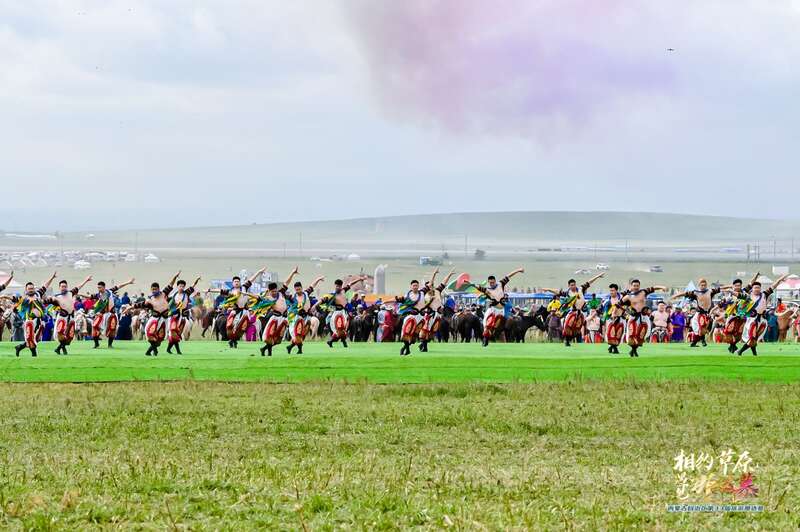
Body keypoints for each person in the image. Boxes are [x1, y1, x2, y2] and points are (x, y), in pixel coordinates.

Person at [207, 268, 265, 348]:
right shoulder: (230, 291)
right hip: (235, 311)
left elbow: (252, 279)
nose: (237, 282)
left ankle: (246, 338)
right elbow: (219, 290)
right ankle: (231, 339)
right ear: (233, 283)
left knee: (248, 324)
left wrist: (259, 272)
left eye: (238, 281)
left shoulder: (244, 288)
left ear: (240, 282)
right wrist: (209, 290)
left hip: (245, 311)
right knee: (230, 324)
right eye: (235, 281)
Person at [1, 273, 55, 357]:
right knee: (30, 339)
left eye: (32, 288)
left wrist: (52, 277)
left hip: (40, 321)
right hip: (29, 321)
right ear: (26, 289)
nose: (31, 290)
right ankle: (34, 355)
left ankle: (20, 347)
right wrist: (5, 296)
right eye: (29, 289)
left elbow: (45, 286)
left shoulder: (38, 294)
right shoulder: (24, 299)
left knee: (37, 339)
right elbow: (14, 298)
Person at [542, 273, 604, 347]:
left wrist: (597, 276)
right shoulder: (568, 293)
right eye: (571, 285)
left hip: (582, 312)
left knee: (579, 328)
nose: (573, 286)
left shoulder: (581, 289)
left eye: (574, 285)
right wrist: (548, 289)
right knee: (566, 323)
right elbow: (557, 291)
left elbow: (589, 282)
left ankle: (581, 340)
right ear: (569, 286)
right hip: (573, 311)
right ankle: (567, 340)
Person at [737, 274, 789, 356]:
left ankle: (754, 354)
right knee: (752, 337)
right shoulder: (748, 296)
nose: (757, 289)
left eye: (758, 287)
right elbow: (746, 288)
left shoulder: (764, 294)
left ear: (760, 288)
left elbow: (773, 286)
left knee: (755, 338)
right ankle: (740, 351)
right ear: (752, 289)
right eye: (755, 287)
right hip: (752, 319)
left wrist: (780, 279)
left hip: (762, 319)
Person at [132, 272, 180, 356]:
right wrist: (130, 307)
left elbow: (171, 284)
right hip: (154, 319)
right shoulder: (150, 299)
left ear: (158, 289)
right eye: (152, 289)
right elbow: (140, 304)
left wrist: (175, 277)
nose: (154, 291)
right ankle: (153, 351)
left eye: (155, 289)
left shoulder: (164, 294)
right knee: (149, 334)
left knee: (160, 339)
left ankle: (149, 351)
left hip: (165, 319)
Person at [44, 273, 93, 355]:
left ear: (67, 287)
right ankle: (61, 348)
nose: (63, 288)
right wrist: (45, 299)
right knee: (60, 333)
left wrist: (86, 280)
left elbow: (79, 286)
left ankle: (59, 348)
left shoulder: (70, 293)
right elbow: (46, 301)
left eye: (65, 286)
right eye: (62, 286)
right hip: (62, 318)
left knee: (70, 336)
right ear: (59, 287)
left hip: (71, 318)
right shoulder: (56, 297)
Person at [475, 267, 524, 347]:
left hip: (501, 310)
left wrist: (518, 270)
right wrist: (479, 293)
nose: (492, 284)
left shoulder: (501, 284)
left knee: (501, 325)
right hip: (492, 309)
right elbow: (482, 289)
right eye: (490, 283)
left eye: (493, 282)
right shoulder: (488, 290)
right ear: (488, 282)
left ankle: (505, 335)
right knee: (485, 321)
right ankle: (485, 338)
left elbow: (509, 275)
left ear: (495, 281)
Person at [84, 277, 135, 348]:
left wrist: (128, 282)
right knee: (94, 326)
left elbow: (119, 286)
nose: (99, 289)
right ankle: (96, 344)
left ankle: (110, 344)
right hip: (102, 314)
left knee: (112, 329)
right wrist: (79, 294)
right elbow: (90, 296)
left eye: (100, 287)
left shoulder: (109, 292)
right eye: (98, 288)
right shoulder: (98, 295)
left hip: (111, 314)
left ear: (104, 287)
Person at [621, 279, 667, 357]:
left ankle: (634, 350)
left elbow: (653, 288)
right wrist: (627, 311)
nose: (636, 287)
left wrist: (662, 287)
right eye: (634, 285)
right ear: (631, 286)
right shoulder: (628, 296)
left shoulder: (643, 292)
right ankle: (633, 350)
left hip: (644, 317)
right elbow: (619, 304)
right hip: (633, 317)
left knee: (643, 334)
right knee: (632, 334)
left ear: (639, 286)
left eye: (637, 286)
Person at [671, 278, 721, 347]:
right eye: (702, 285)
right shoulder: (696, 293)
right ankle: (699, 341)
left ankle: (698, 341)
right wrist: (675, 296)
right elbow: (685, 294)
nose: (703, 286)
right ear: (699, 285)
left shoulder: (710, 291)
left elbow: (719, 289)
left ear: (706, 285)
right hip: (699, 313)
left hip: (707, 314)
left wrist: (729, 289)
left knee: (702, 328)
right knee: (697, 328)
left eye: (704, 285)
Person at [322, 275, 367, 349]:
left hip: (343, 313)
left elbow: (351, 283)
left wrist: (359, 279)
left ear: (341, 286)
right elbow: (326, 302)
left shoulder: (343, 290)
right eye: (336, 286)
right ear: (335, 286)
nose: (337, 287)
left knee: (343, 328)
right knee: (329, 320)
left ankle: (334, 341)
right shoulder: (332, 295)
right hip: (335, 313)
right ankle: (332, 335)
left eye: (339, 286)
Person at [285, 271, 324, 354]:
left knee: (302, 335)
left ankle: (290, 347)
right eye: (296, 290)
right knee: (297, 335)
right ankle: (298, 350)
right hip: (297, 318)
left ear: (301, 288)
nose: (298, 291)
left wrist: (318, 279)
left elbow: (312, 285)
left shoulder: (306, 293)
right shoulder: (293, 297)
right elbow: (290, 309)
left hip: (307, 317)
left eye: (299, 289)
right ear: (294, 289)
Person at [418, 268, 456, 352]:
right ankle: (423, 344)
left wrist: (450, 274)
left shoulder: (437, 290)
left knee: (432, 331)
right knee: (425, 329)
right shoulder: (424, 293)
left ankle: (424, 344)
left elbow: (444, 282)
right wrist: (434, 273)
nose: (431, 286)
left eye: (431, 285)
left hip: (438, 315)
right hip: (428, 314)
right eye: (429, 285)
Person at [166, 275, 201, 354]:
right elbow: (168, 304)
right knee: (173, 332)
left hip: (183, 317)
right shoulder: (173, 295)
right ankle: (177, 351)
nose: (181, 287)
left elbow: (193, 285)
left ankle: (169, 349)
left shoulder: (186, 293)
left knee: (177, 334)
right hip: (174, 316)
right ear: (177, 286)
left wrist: (197, 279)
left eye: (183, 286)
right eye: (180, 286)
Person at [602, 283, 626, 354]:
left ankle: (612, 347)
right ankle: (614, 347)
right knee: (611, 334)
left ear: (616, 290)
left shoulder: (622, 298)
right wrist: (605, 319)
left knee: (619, 333)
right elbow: (605, 312)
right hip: (610, 319)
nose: (611, 292)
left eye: (613, 290)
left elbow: (626, 307)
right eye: (610, 291)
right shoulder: (607, 300)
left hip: (621, 318)